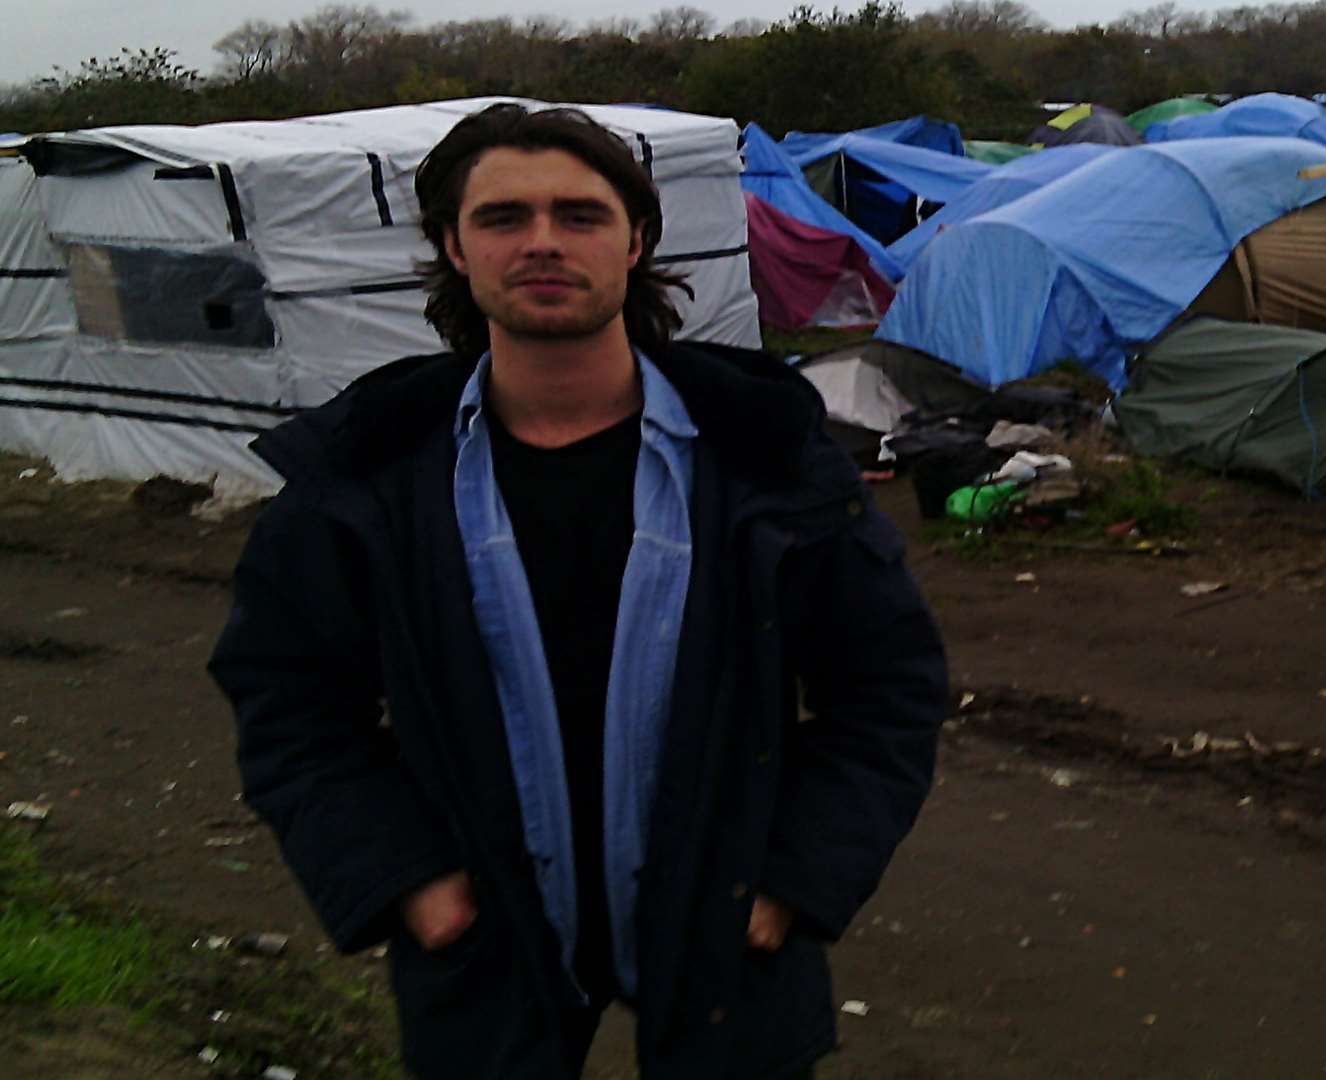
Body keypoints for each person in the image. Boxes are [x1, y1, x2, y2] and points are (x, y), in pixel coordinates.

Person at [208, 103, 948, 1079]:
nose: (543, 242)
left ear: (636, 241)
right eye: (504, 217)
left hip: (728, 924)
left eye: (580, 215)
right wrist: (408, 880)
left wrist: (796, 881)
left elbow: (888, 684)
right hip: (483, 928)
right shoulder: (371, 480)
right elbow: (286, 694)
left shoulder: (763, 458)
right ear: (452, 245)